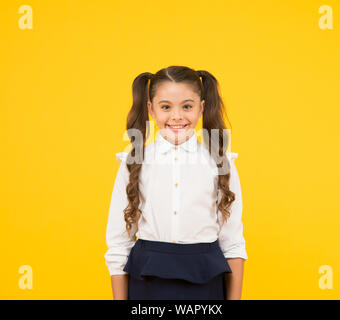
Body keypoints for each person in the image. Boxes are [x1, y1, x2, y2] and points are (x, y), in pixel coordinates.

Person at [104, 65, 248, 300]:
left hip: (205, 284)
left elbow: (233, 244)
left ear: (201, 107)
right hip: (148, 283)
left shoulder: (221, 163)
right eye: (166, 107)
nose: (177, 116)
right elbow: (119, 244)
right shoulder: (134, 161)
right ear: (151, 109)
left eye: (187, 106)